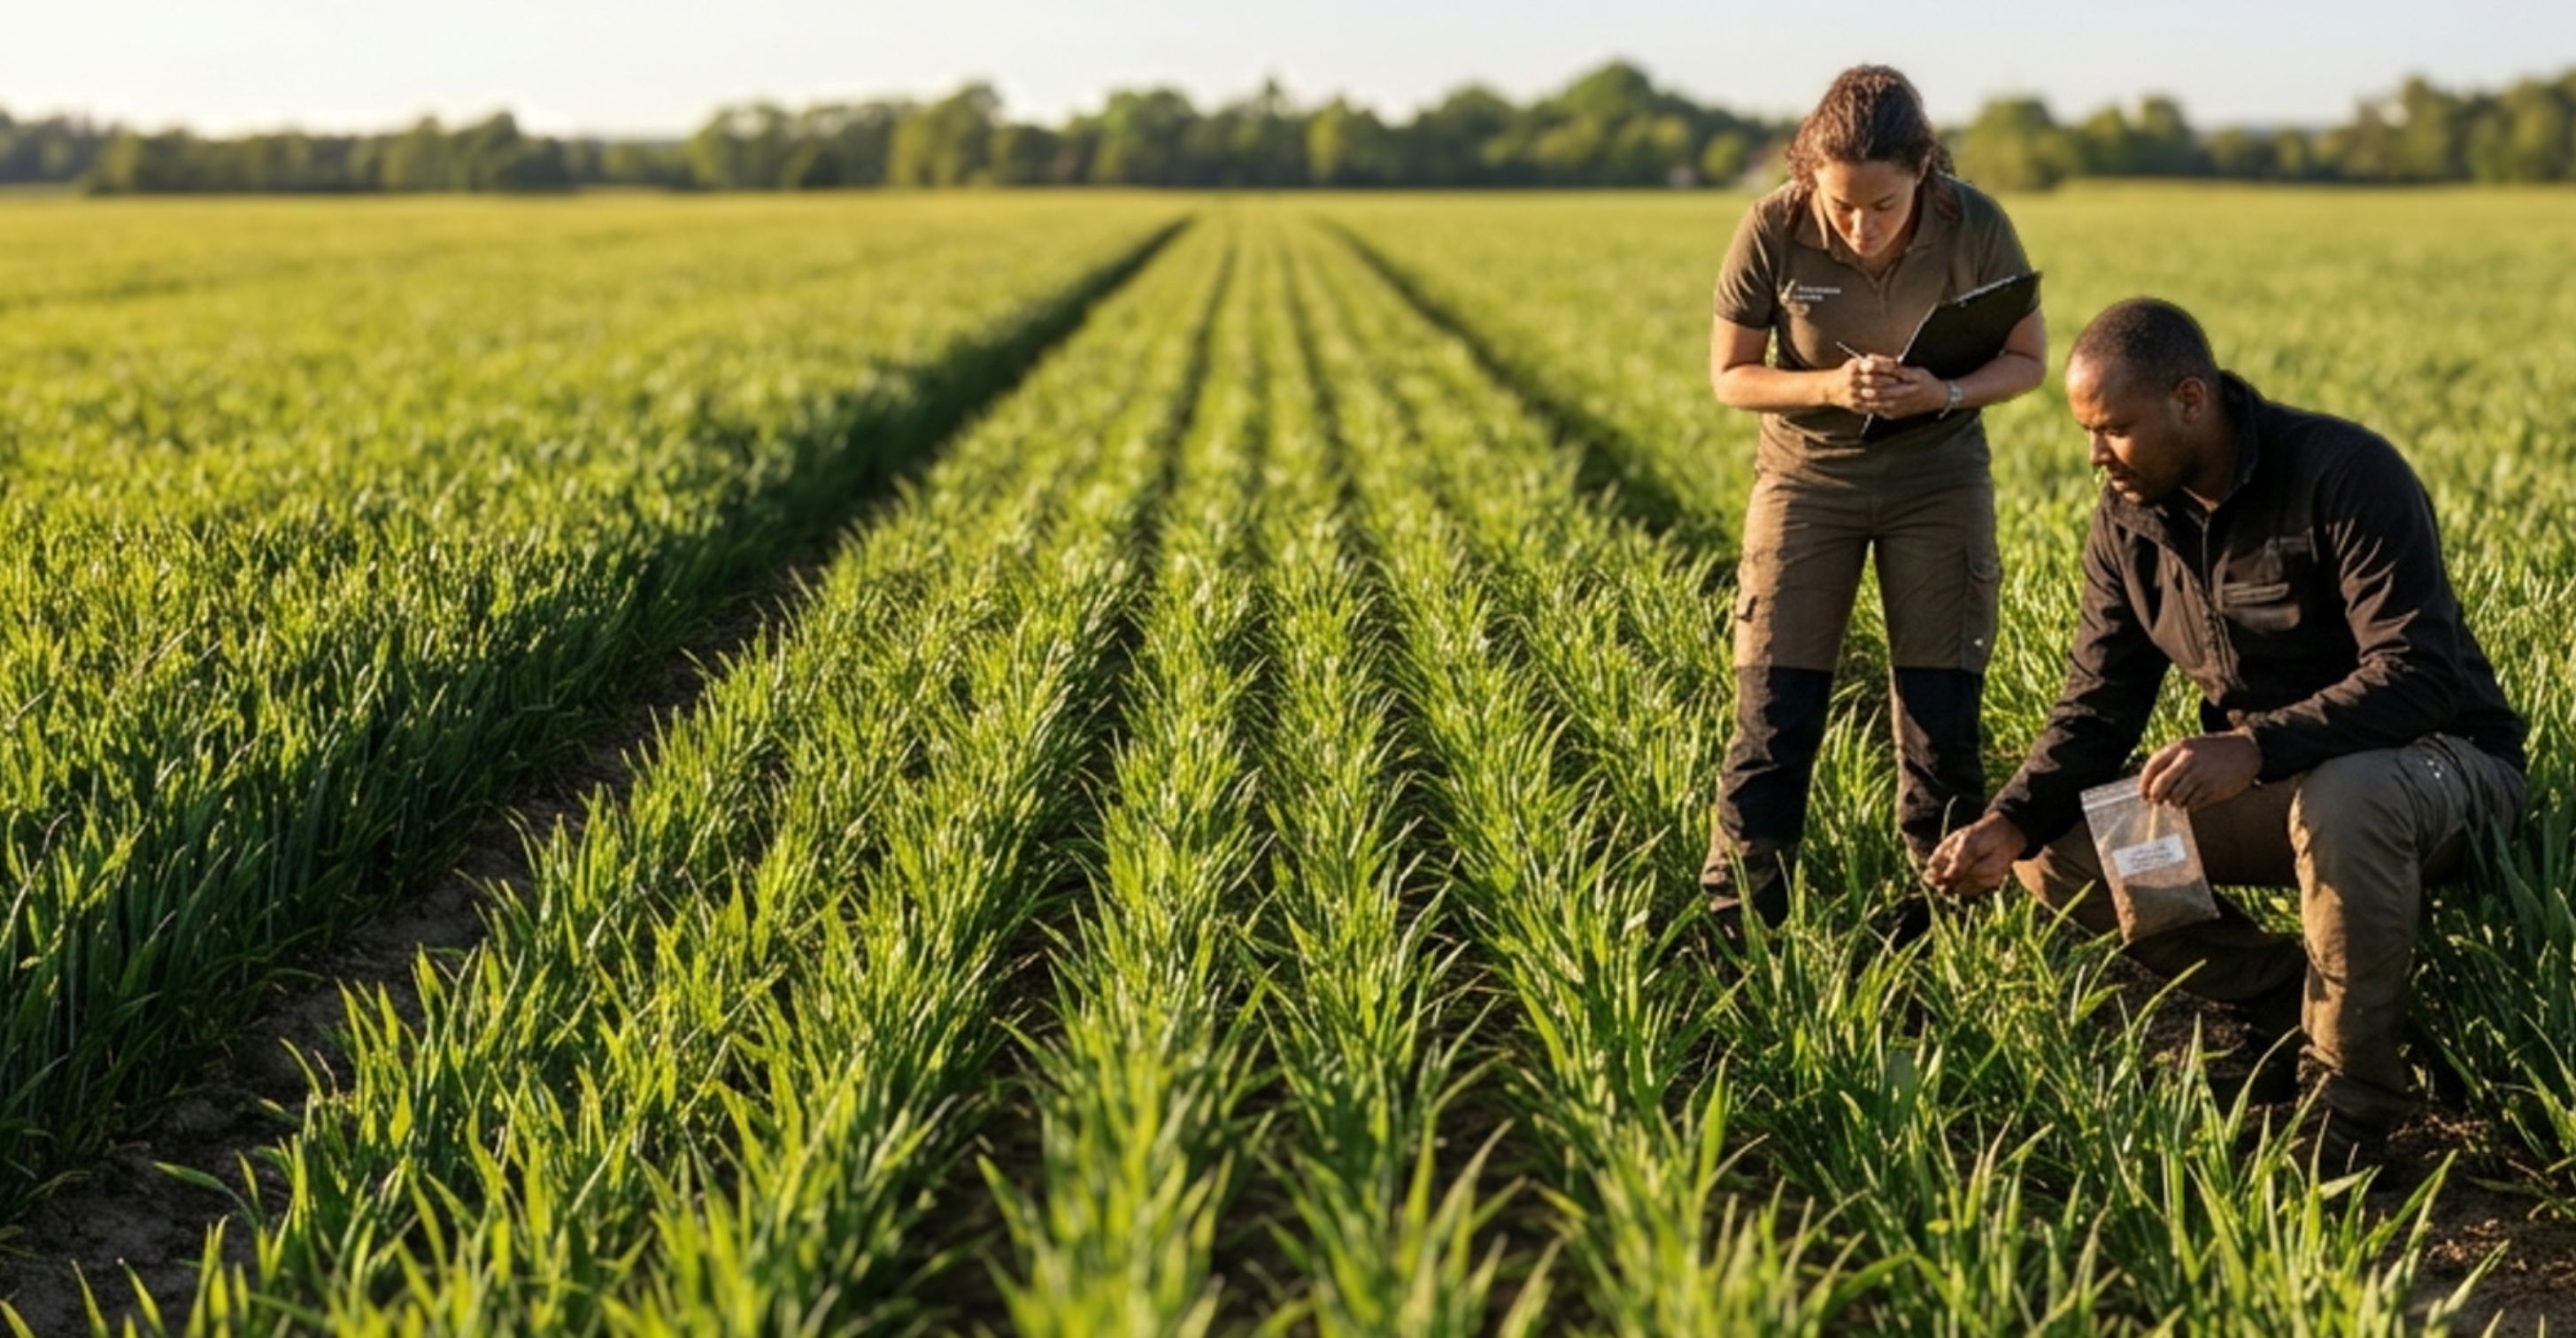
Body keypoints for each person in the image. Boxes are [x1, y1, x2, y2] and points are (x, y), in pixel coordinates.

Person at [1926, 297, 2528, 1169]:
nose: (2096, 455)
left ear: (2191, 399)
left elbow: (2418, 674)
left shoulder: (2343, 471)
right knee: (2065, 847)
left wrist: (2253, 746)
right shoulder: (2129, 521)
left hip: (2442, 772)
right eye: (2087, 433)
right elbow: (2098, 705)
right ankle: (2283, 1002)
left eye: (2115, 429)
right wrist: (2009, 819)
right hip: (2289, 785)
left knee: (2346, 793)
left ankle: (2351, 1110)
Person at [1703, 65, 2048, 934]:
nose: (1859, 227)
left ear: (1923, 174)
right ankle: (1742, 926)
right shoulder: (1771, 228)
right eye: (1840, 205)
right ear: (1807, 177)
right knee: (1774, 715)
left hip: (1938, 483)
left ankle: (1943, 932)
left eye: (1883, 205)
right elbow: (1731, 377)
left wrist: (1943, 394)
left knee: (1940, 720)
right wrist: (1829, 390)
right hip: (1806, 484)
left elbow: (2028, 358)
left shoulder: (1975, 223)